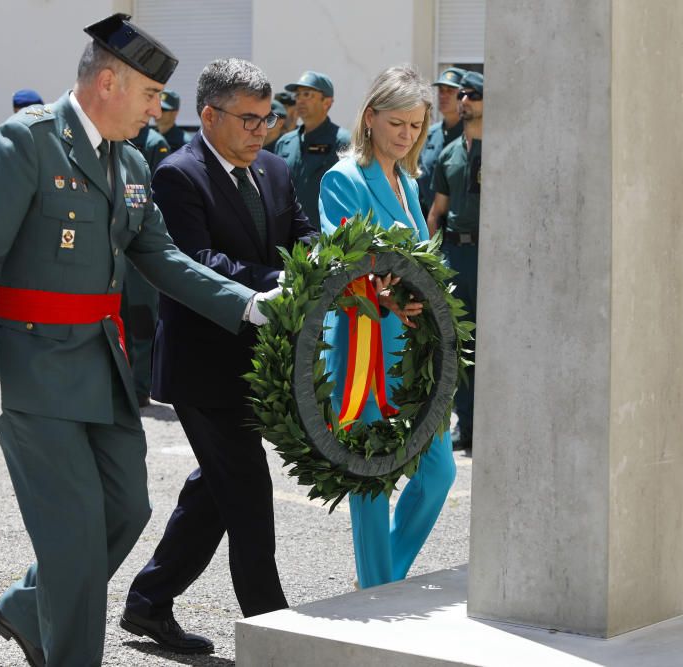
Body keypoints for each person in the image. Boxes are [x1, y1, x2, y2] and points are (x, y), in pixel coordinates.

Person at [0, 15, 277, 666]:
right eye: (152, 97)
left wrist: (248, 306)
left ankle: (22, 607)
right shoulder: (27, 143)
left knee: (126, 508)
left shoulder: (129, 161)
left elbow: (161, 256)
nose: (160, 111)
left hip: (98, 361)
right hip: (27, 362)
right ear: (108, 83)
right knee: (73, 531)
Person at [122, 57, 315, 655]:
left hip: (258, 362)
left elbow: (303, 233)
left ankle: (148, 602)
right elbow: (198, 263)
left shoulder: (277, 171)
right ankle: (273, 629)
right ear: (209, 115)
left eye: (268, 120)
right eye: (250, 120)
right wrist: (280, 281)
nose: (262, 131)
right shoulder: (178, 175)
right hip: (203, 367)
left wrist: (319, 267)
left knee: (217, 489)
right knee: (248, 490)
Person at [318, 65, 456, 589]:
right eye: (397, 122)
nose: (407, 135)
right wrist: (388, 294)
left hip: (415, 351)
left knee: (439, 472)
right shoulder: (344, 178)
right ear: (370, 117)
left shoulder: (410, 181)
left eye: (417, 126)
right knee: (372, 476)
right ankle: (376, 586)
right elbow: (341, 260)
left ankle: (382, 580)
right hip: (364, 344)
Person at [426, 70, 483, 453]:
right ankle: (466, 424)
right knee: (460, 340)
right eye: (461, 95)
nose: (464, 101)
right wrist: (430, 257)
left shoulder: (503, 148)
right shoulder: (449, 153)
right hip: (456, 253)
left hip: (491, 257)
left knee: (490, 342)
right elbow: (437, 211)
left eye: (473, 95)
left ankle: (490, 419)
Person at [121, 121, 171, 406]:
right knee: (121, 319)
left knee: (142, 320)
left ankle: (140, 386)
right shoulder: (115, 136)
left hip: (140, 242)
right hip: (119, 247)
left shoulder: (153, 143)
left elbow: (152, 191)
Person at [273, 70, 350, 228]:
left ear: (326, 102)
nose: (300, 100)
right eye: (298, 95)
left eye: (307, 94)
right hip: (291, 239)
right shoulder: (285, 142)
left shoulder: (343, 142)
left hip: (327, 238)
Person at [416, 67, 465, 216]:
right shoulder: (429, 134)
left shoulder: (469, 136)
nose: (443, 96)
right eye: (441, 91)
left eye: (450, 91)